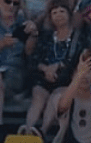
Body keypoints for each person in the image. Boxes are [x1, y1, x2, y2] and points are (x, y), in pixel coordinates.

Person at [0, 0, 38, 142]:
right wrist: (2, 43)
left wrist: (33, 35)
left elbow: (29, 52)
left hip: (14, 73)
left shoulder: (23, 22)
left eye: (15, 3)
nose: (11, 6)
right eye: (7, 1)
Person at [23, 0, 83, 135]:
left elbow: (78, 59)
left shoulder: (78, 37)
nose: (58, 15)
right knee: (38, 97)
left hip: (65, 80)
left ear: (69, 15)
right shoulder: (46, 36)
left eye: (62, 11)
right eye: (54, 13)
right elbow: (34, 59)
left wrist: (58, 65)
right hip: (43, 77)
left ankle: (42, 132)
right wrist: (46, 69)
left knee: (55, 98)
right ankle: (27, 132)